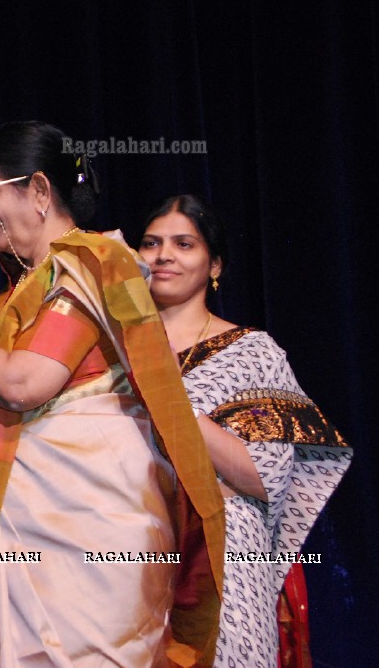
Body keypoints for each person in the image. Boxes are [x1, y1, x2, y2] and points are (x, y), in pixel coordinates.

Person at [0, 121, 224, 667]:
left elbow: (23, 381)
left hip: (87, 540)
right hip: (32, 538)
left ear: (37, 190)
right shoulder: (19, 294)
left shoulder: (91, 263)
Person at [139, 194, 351, 668]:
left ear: (214, 266)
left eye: (184, 244)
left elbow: (265, 476)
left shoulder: (253, 353)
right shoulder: (111, 349)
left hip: (225, 555)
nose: (163, 255)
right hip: (129, 547)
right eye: (151, 243)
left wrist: (170, 402)